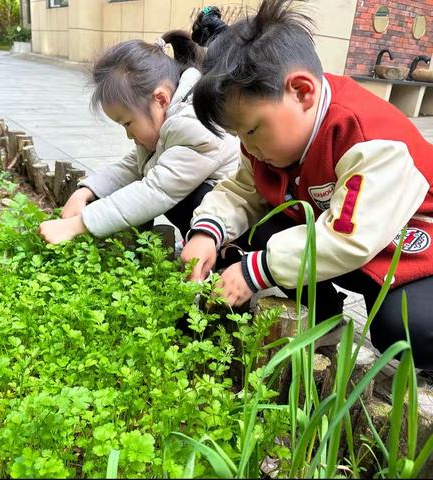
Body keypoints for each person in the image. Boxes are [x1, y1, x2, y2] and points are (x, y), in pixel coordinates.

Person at [181, 0, 433, 369]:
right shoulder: (271, 140)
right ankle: (321, 313)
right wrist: (207, 232)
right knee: (260, 232)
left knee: (408, 328)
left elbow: (349, 239)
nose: (246, 146)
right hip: (339, 235)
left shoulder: (367, 138)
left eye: (251, 130)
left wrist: (256, 272)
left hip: (409, 246)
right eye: (238, 134)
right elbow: (242, 191)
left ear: (302, 92)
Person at [38, 30, 239, 244]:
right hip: (217, 216)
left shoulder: (195, 125)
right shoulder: (167, 120)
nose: (127, 134)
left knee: (175, 196)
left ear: (160, 100)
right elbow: (134, 166)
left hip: (243, 224)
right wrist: (86, 191)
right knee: (153, 174)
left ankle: (227, 255)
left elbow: (154, 191)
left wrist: (77, 225)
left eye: (127, 123)